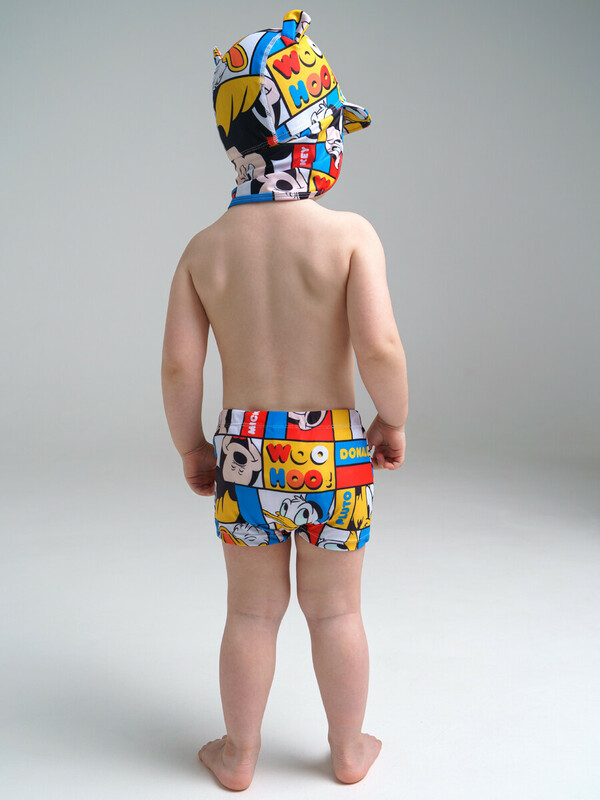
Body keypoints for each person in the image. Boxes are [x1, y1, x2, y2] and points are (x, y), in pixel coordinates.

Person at [161, 9, 408, 790]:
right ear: (316, 133)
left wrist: (192, 446)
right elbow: (379, 347)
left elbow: (179, 368)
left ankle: (238, 753)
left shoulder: (204, 250)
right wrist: (392, 418)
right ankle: (347, 748)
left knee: (250, 613)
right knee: (337, 612)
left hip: (244, 451)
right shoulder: (349, 236)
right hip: (334, 452)